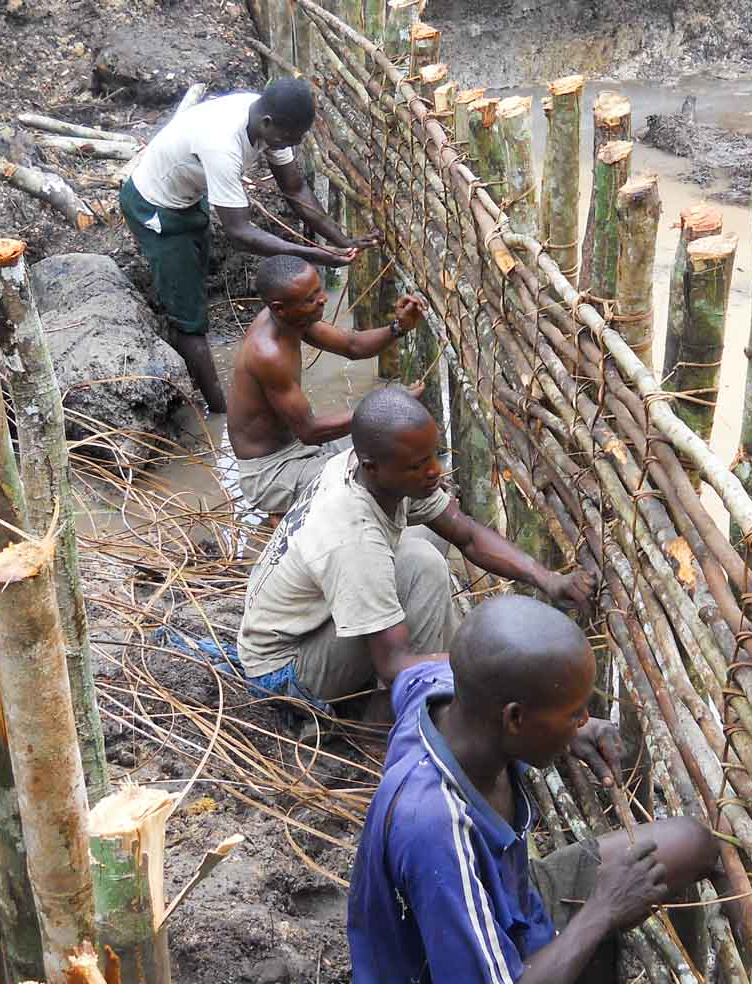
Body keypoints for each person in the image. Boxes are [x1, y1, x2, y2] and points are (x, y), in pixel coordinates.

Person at [347, 595, 721, 984]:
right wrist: (602, 911)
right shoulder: (435, 827)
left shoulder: (442, 693)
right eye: (574, 714)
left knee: (691, 843)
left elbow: (410, 675)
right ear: (515, 719)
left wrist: (571, 733)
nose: (584, 721)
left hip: (507, 902)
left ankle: (555, 973)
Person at [235, 386, 595, 710]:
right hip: (283, 672)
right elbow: (393, 665)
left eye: (433, 455)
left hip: (307, 623)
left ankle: (436, 680)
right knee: (423, 564)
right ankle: (396, 716)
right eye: (419, 465)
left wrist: (547, 579)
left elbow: (467, 535)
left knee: (424, 545)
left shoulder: (369, 469)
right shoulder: (353, 537)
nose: (435, 471)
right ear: (372, 467)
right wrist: (494, 665)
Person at [120, 77, 374, 413]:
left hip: (188, 198)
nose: (294, 144)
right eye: (290, 138)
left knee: (190, 286)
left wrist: (341, 240)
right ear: (267, 123)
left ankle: (186, 323)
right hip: (155, 209)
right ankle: (219, 411)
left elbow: (295, 190)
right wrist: (315, 255)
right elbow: (239, 233)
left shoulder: (270, 119)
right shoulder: (222, 144)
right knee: (189, 320)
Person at [227, 254, 429, 516]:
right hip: (271, 472)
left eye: (319, 290)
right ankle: (289, 512)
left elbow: (352, 346)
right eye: (311, 299)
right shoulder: (268, 354)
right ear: (279, 308)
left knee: (388, 448)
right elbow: (310, 431)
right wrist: (389, 406)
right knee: (381, 476)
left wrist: (398, 327)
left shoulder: (294, 316)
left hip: (300, 447)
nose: (322, 299)